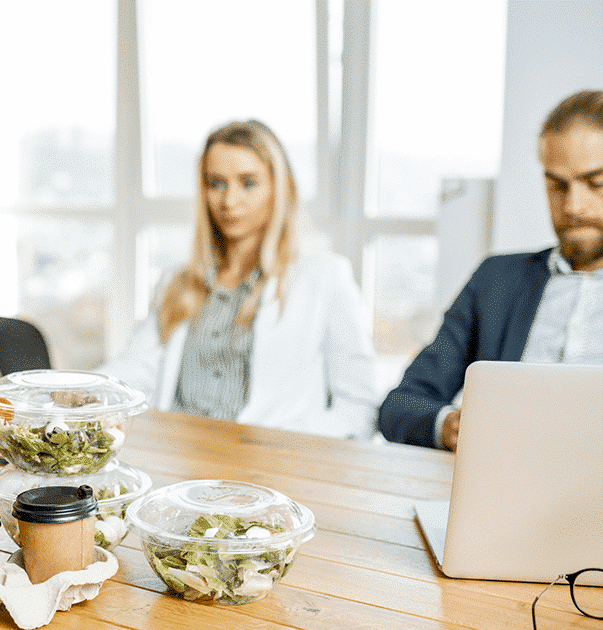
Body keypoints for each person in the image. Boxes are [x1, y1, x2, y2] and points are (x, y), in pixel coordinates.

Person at [98, 120, 377, 439]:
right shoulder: (178, 282)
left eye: (248, 183)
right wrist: (69, 391)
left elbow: (358, 407)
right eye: (216, 183)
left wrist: (288, 451)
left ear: (279, 187)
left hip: (270, 471)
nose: (229, 201)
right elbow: (134, 370)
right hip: (177, 462)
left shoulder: (324, 278)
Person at [379, 89, 603, 450]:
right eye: (557, 186)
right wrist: (449, 425)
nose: (574, 206)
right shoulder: (498, 281)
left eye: (597, 184)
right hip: (508, 486)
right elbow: (399, 406)